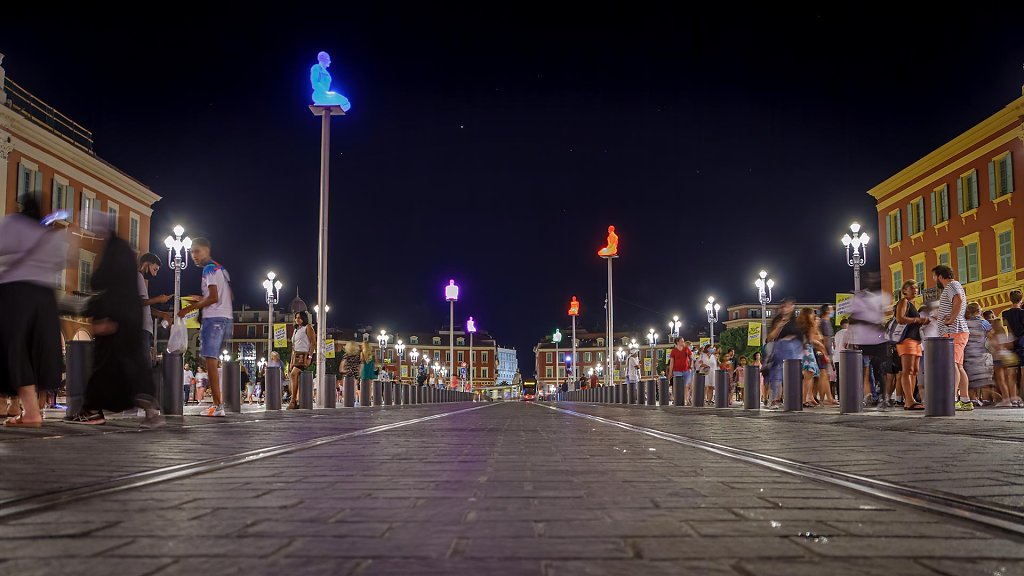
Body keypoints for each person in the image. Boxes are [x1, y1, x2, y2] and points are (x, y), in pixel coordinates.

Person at [67, 221, 161, 426]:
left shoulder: (112, 268)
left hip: (111, 325)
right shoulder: (131, 275)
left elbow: (99, 284)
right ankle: (148, 404)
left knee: (104, 368)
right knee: (134, 365)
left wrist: (100, 318)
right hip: (133, 327)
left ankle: (92, 410)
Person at [0, 196, 69, 427]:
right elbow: (60, 261)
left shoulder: (12, 224)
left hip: (16, 291)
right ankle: (30, 411)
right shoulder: (48, 236)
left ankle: (30, 412)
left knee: (14, 348)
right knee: (34, 350)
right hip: (45, 295)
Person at [178, 238, 233, 417]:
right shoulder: (220, 268)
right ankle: (218, 405)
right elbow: (228, 295)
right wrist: (201, 298)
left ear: (206, 250)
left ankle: (218, 406)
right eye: (191, 252)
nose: (193, 256)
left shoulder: (209, 269)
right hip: (224, 317)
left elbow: (214, 297)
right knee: (212, 360)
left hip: (214, 318)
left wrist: (188, 308)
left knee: (210, 361)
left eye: (197, 251)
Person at [933, 265, 971, 411]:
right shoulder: (954, 286)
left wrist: (950, 319)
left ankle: (952, 399)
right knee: (959, 366)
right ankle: (965, 400)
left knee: (952, 364)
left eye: (935, 276)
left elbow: (959, 300)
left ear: (940, 276)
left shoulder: (951, 285)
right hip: (957, 330)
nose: (934, 279)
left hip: (953, 331)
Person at [894, 281, 927, 410]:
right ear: (904, 290)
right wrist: (917, 320)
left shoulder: (912, 304)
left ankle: (910, 400)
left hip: (915, 340)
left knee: (914, 371)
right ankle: (909, 400)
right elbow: (899, 318)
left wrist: (923, 321)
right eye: (912, 287)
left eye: (916, 288)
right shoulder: (903, 302)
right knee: (907, 370)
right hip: (906, 340)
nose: (915, 290)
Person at [765, 297, 803, 408]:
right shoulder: (777, 320)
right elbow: (770, 337)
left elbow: (801, 338)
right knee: (777, 375)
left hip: (793, 352)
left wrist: (792, 339)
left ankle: (791, 399)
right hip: (779, 351)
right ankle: (774, 400)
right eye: (784, 306)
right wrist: (780, 325)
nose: (786, 308)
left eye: (789, 305)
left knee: (791, 375)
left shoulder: (796, 321)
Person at [964, 303, 994, 405]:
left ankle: (972, 399)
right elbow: (991, 335)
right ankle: (986, 399)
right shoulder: (984, 322)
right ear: (978, 311)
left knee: (970, 378)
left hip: (968, 353)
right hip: (982, 353)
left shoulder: (965, 323)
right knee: (984, 377)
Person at [287, 311, 315, 409]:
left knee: (294, 374)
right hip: (296, 356)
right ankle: (296, 399)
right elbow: (293, 347)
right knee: (292, 376)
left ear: (304, 318)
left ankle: (293, 401)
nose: (297, 319)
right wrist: (291, 362)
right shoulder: (295, 330)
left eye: (299, 317)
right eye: (296, 317)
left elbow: (313, 343)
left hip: (304, 355)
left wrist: (310, 358)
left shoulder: (308, 327)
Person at [1002, 290, 1024, 406]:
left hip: (1011, 343)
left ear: (1010, 299)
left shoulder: (1005, 314)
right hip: (1022, 343)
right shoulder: (1023, 313)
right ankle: (1022, 399)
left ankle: (1014, 399)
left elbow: (1007, 330)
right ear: (1021, 299)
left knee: (1011, 374)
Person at [667, 337, 693, 406]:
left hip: (686, 370)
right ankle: (677, 399)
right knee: (678, 386)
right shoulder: (674, 351)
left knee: (686, 386)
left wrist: (690, 366)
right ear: (677, 342)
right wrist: (670, 372)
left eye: (683, 341)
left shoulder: (686, 349)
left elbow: (691, 358)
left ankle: (686, 400)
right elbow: (672, 362)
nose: (683, 342)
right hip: (677, 370)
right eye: (682, 341)